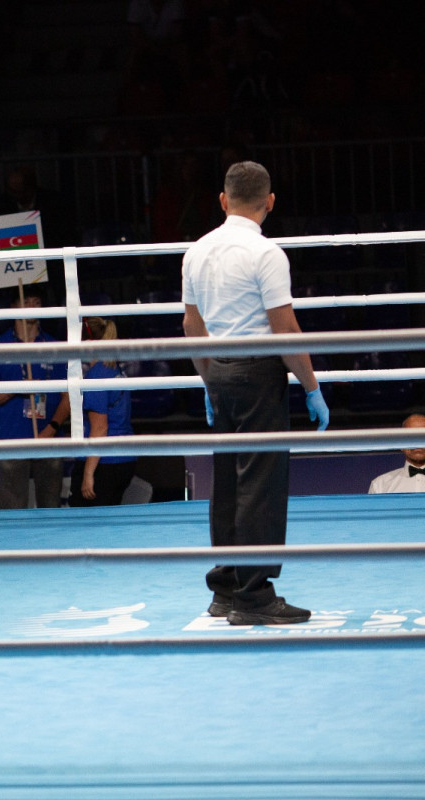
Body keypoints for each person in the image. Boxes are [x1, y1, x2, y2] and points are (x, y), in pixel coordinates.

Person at [182, 159, 329, 626]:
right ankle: (254, 597)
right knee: (259, 485)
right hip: (258, 374)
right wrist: (312, 386)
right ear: (269, 202)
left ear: (223, 201)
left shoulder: (196, 251)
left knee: (226, 483)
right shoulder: (266, 254)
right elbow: (284, 328)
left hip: (220, 371)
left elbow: (192, 325)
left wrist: (208, 379)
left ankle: (226, 588)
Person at [0, 291, 70, 508]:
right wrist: (16, 389)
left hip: (49, 439)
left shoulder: (54, 346)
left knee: (51, 508)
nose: (32, 305)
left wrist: (51, 429)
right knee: (14, 507)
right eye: (26, 300)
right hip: (13, 439)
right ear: (13, 307)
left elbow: (68, 398)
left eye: (36, 301)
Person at [69, 317, 136, 507]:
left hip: (104, 464)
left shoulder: (97, 375)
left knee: (86, 527)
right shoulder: (115, 369)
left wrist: (88, 474)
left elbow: (100, 428)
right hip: (122, 459)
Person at [368, 414, 425, 494]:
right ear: (400, 443)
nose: (417, 443)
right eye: (411, 436)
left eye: (422, 436)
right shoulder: (380, 485)